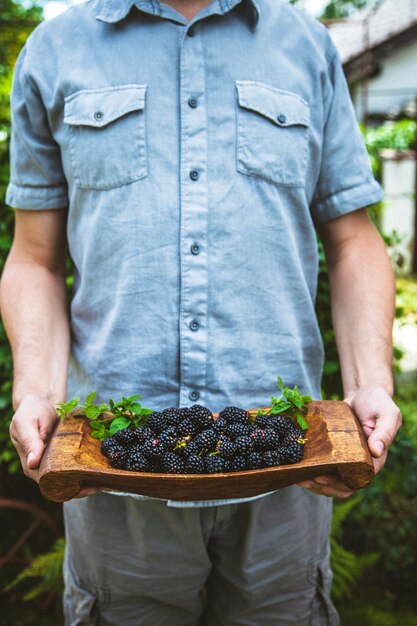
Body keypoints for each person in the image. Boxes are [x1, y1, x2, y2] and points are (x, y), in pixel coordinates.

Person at [1, 0, 402, 624]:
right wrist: (35, 392)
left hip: (288, 463)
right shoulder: (54, 53)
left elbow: (354, 241)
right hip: (115, 465)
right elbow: (34, 259)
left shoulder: (306, 47)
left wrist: (371, 383)